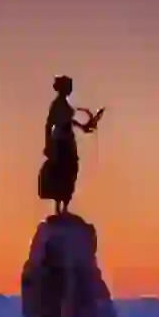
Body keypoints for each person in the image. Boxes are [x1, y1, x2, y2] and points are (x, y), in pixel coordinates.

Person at [39, 75, 100, 214]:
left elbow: (69, 121)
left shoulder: (64, 105)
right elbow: (49, 124)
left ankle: (64, 205)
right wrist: (48, 144)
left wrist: (83, 127)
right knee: (62, 171)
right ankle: (59, 206)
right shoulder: (56, 105)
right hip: (60, 141)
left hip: (67, 141)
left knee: (70, 170)